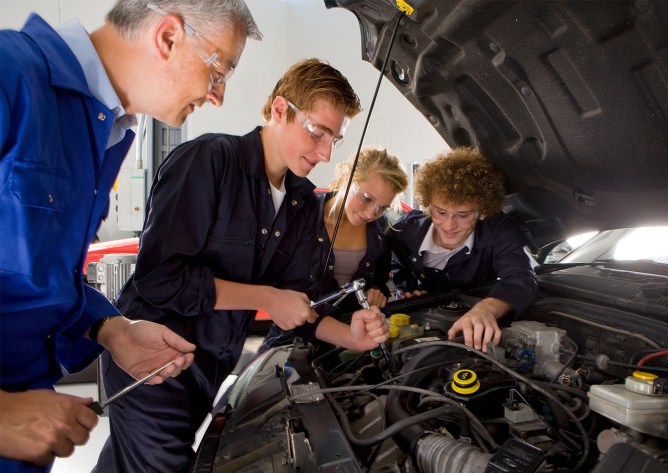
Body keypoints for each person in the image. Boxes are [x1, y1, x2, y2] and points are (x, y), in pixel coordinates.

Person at [93, 58, 390, 473]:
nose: (324, 153)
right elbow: (161, 277)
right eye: (317, 132)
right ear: (281, 109)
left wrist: (351, 336)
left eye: (334, 140)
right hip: (153, 359)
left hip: (209, 370)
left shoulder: (301, 201)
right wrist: (266, 296)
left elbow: (296, 308)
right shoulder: (209, 160)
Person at [0, 1, 261, 471]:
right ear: (167, 37)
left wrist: (113, 329)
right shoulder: (8, 75)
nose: (218, 96)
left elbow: (40, 271)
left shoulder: (111, 133)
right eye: (219, 70)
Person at [391, 147, 537, 352]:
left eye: (462, 215)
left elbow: (521, 277)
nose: (449, 226)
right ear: (428, 204)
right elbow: (398, 265)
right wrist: (407, 290)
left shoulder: (499, 231)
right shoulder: (407, 231)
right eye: (441, 212)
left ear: (483, 211)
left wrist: (487, 309)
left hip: (476, 330)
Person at [262, 147, 408, 347]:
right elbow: (288, 293)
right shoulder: (303, 216)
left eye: (383, 207)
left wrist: (375, 291)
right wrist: (349, 338)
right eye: (366, 198)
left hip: (355, 337)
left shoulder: (381, 231)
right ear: (348, 178)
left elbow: (378, 280)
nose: (371, 213)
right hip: (295, 341)